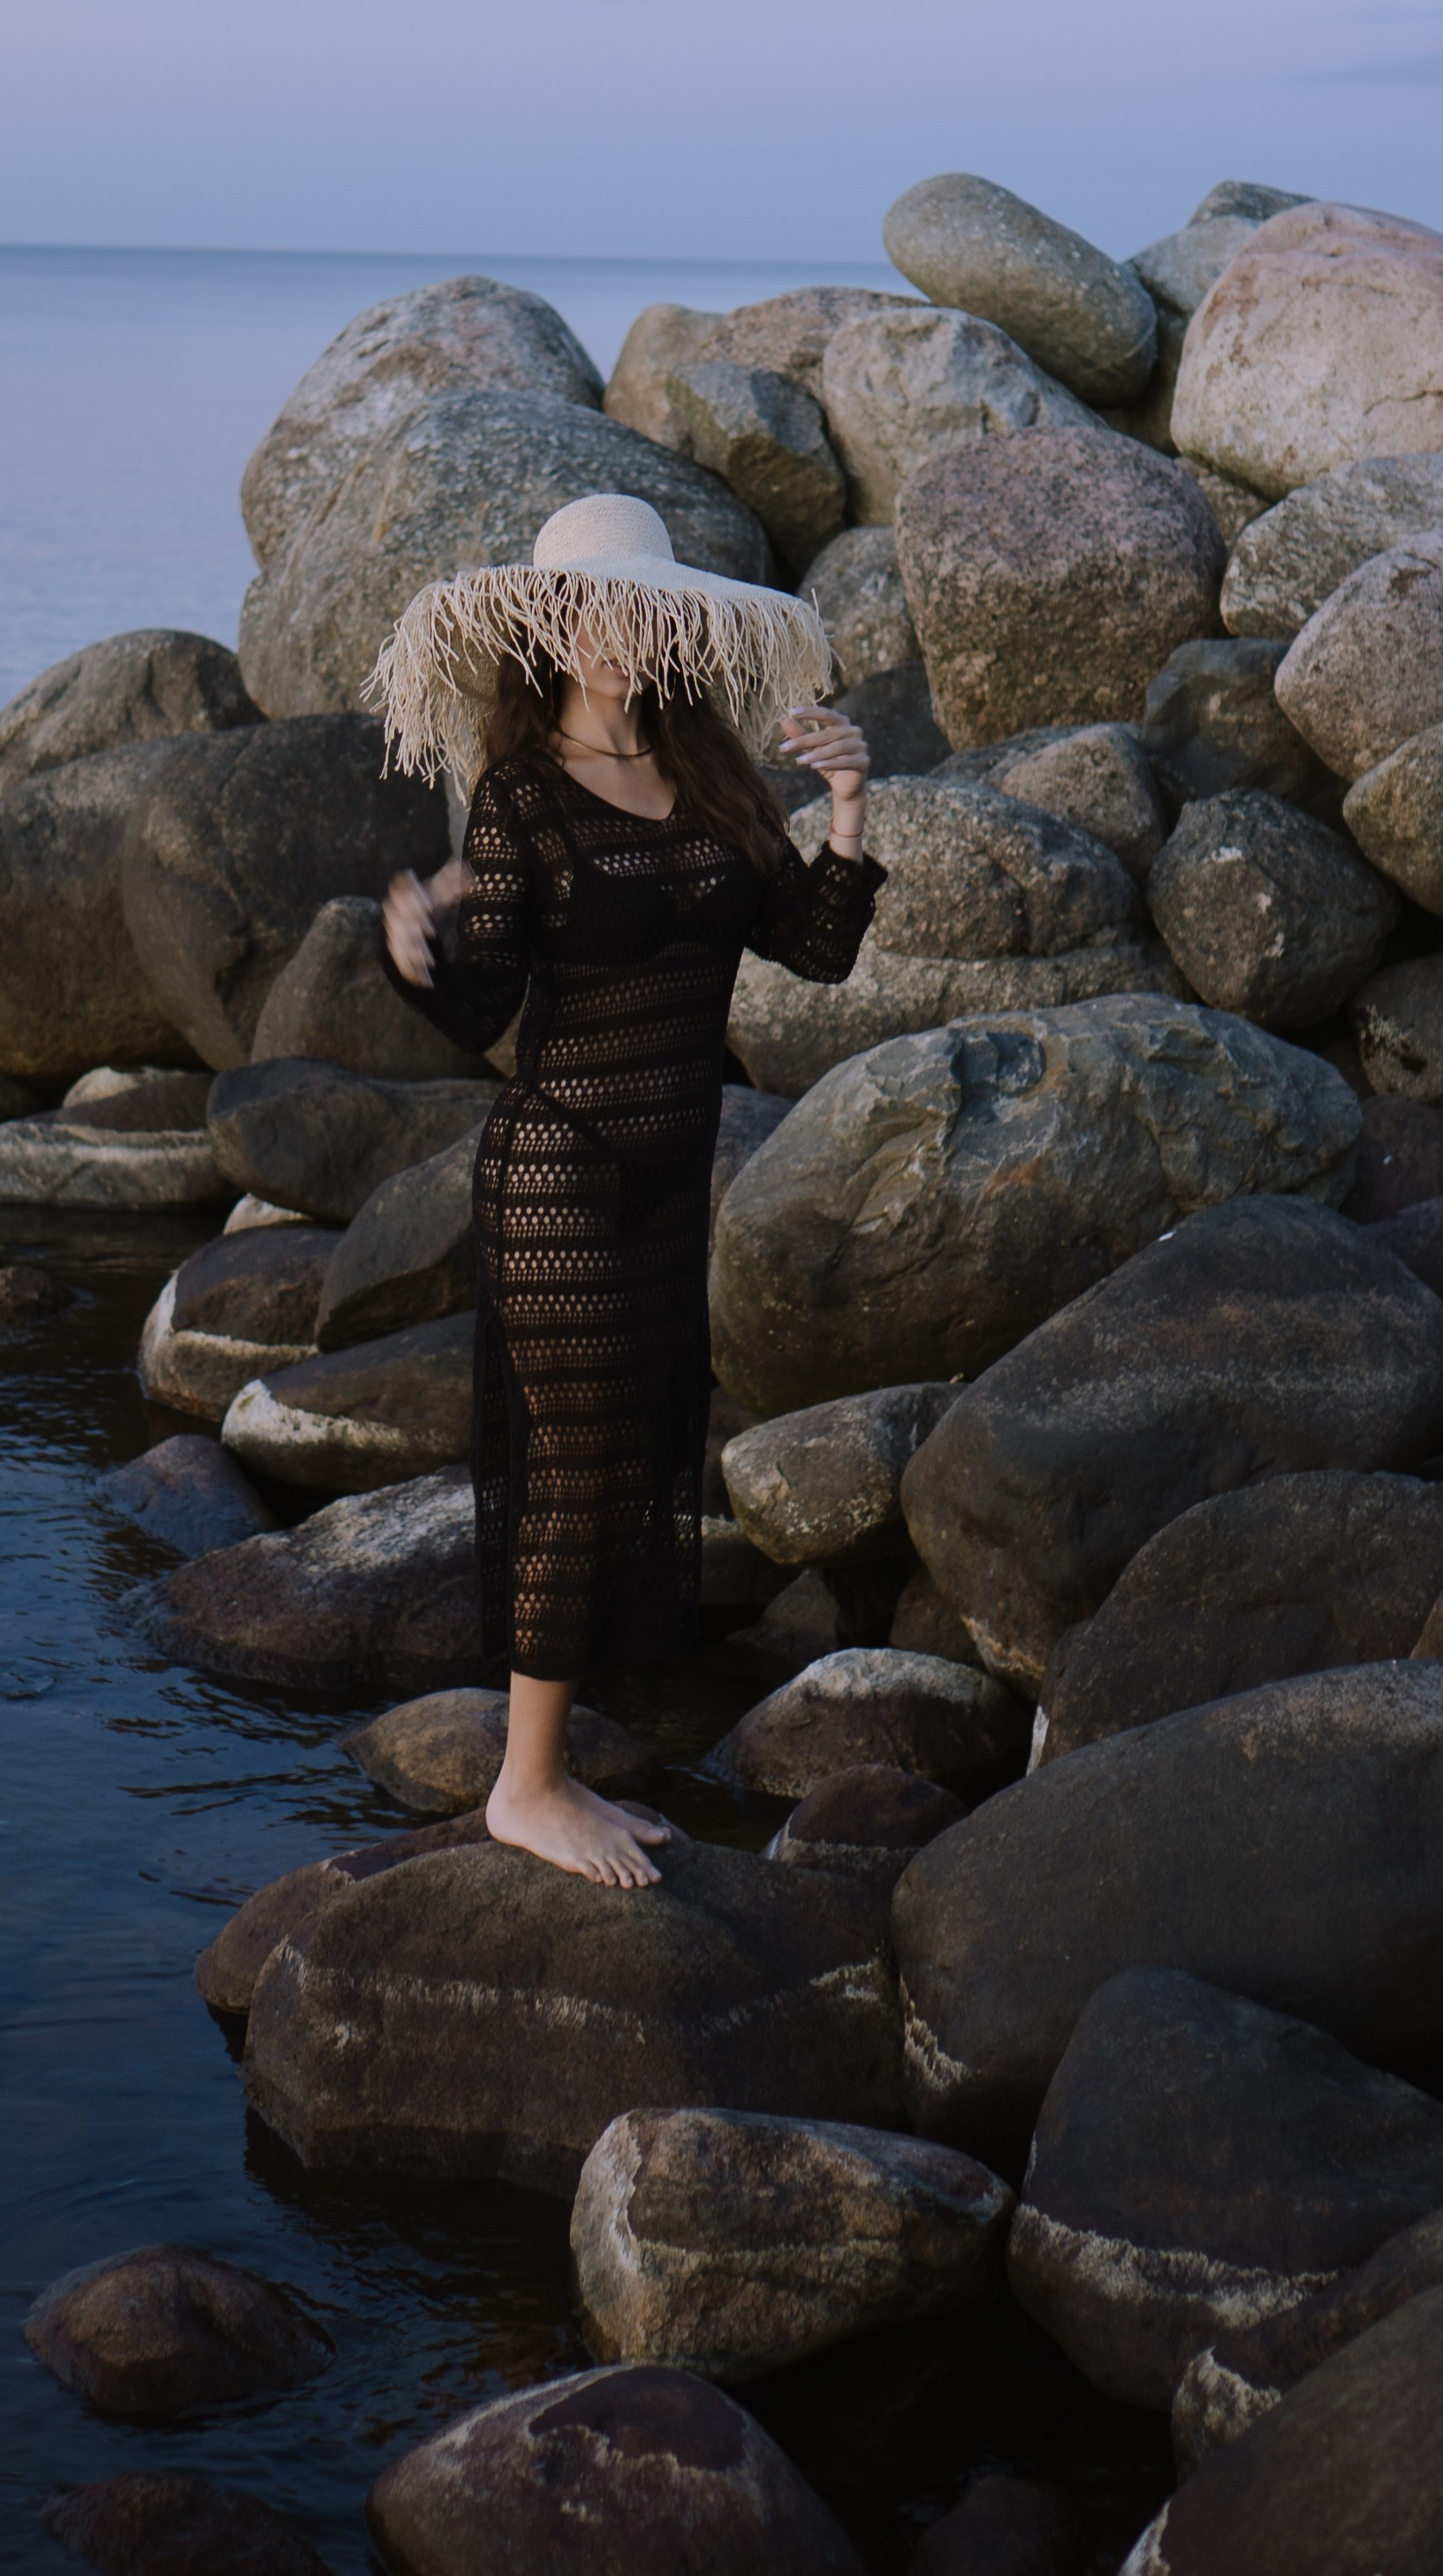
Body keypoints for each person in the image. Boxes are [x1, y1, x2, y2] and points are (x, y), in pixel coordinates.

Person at [367, 490, 885, 1890]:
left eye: (639, 607)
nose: (615, 632)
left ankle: (551, 1763)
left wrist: (845, 810)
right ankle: (525, 1788)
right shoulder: (522, 795)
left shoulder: (710, 777)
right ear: (549, 627)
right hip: (558, 1172)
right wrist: (416, 953)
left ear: (672, 625)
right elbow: (488, 1002)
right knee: (581, 1461)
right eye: (589, 607)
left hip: (666, 1182)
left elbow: (814, 951)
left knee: (627, 1465)